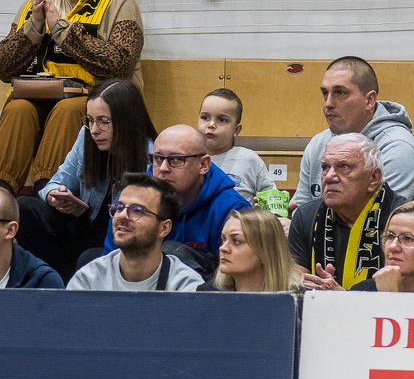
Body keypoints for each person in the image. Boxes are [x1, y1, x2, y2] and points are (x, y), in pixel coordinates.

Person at [0, 0, 144, 194]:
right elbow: (4, 67)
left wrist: (62, 30)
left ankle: (49, 195)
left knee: (69, 110)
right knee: (17, 108)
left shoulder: (120, 4)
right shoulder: (34, 5)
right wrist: (35, 25)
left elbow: (120, 64)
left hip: (98, 103)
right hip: (37, 100)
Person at [17, 79, 153, 282]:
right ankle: (50, 284)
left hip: (119, 244)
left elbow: (141, 226)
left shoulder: (151, 156)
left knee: (89, 256)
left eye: (104, 121)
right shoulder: (86, 136)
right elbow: (54, 183)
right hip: (85, 229)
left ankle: (69, 286)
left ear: (127, 121)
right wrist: (57, 195)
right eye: (89, 119)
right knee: (25, 207)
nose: (94, 129)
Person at [99, 125, 250, 274]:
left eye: (177, 159)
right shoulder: (131, 202)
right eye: (158, 158)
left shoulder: (232, 209)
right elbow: (109, 268)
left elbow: (235, 278)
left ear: (203, 165)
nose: (163, 168)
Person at [292, 57, 414, 207]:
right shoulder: (318, 143)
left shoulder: (398, 148)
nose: (328, 103)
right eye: (325, 93)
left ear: (370, 100)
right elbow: (299, 208)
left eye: (340, 93)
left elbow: (379, 217)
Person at [289, 133, 407, 290]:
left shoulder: (403, 218)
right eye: (325, 167)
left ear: (373, 178)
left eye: (344, 167)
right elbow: (297, 288)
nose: (329, 177)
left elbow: (410, 289)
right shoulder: (305, 217)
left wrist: (343, 299)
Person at [67, 175, 203, 292]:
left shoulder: (185, 288)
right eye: (119, 207)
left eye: (137, 210)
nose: (122, 215)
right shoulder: (88, 281)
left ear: (164, 228)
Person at [198, 89, 276, 202]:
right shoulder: (187, 158)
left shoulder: (249, 160)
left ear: (236, 129)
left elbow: (272, 200)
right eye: (205, 117)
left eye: (221, 120)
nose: (211, 125)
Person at [200, 208, 302, 292]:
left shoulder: (299, 300)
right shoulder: (206, 294)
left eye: (236, 241)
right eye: (223, 239)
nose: (223, 248)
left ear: (266, 251)